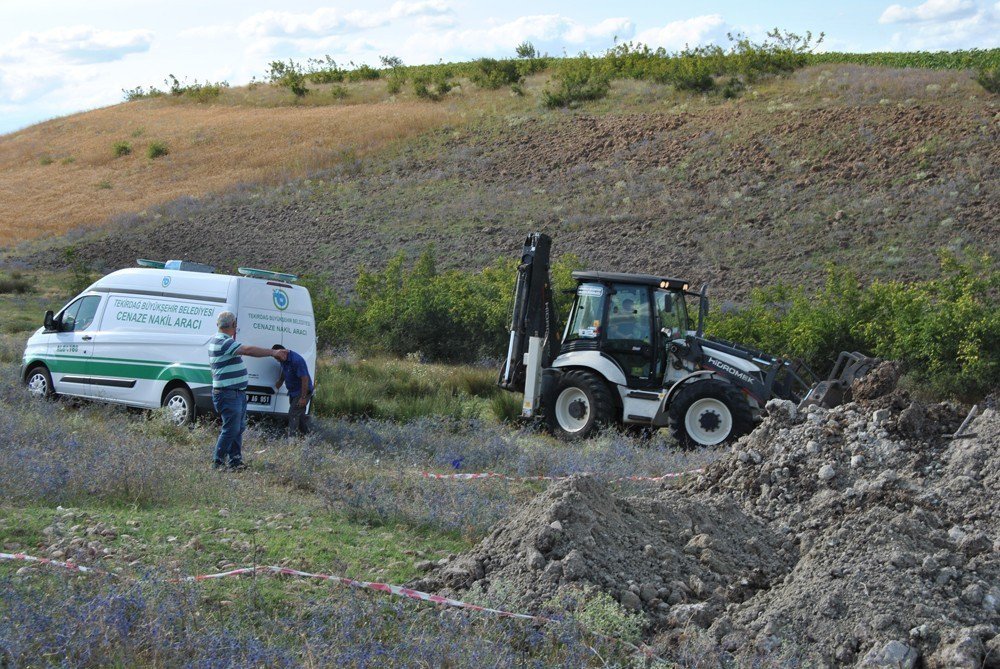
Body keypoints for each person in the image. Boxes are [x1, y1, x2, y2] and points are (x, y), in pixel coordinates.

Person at [208, 311, 286, 470]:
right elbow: (248, 350)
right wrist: (272, 352)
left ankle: (235, 461)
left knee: (238, 428)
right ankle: (218, 463)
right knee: (231, 429)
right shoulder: (224, 342)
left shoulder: (221, 340)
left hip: (235, 392)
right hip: (228, 393)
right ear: (233, 325)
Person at [272, 344, 313, 437]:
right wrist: (280, 381)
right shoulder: (284, 359)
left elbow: (305, 379)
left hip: (303, 391)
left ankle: (291, 441)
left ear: (283, 352)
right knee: (300, 416)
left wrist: (303, 397)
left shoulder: (297, 360)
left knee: (293, 414)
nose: (277, 360)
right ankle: (307, 436)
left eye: (277, 357)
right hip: (293, 391)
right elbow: (285, 370)